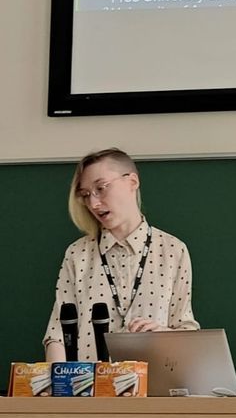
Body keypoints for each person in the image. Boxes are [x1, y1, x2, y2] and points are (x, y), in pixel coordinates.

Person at [44, 147, 199, 362]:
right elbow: (58, 335)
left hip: (152, 389)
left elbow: (187, 333)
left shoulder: (172, 250)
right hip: (88, 389)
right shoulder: (77, 254)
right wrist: (61, 385)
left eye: (101, 188)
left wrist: (163, 335)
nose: (94, 203)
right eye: (86, 195)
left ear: (132, 182)